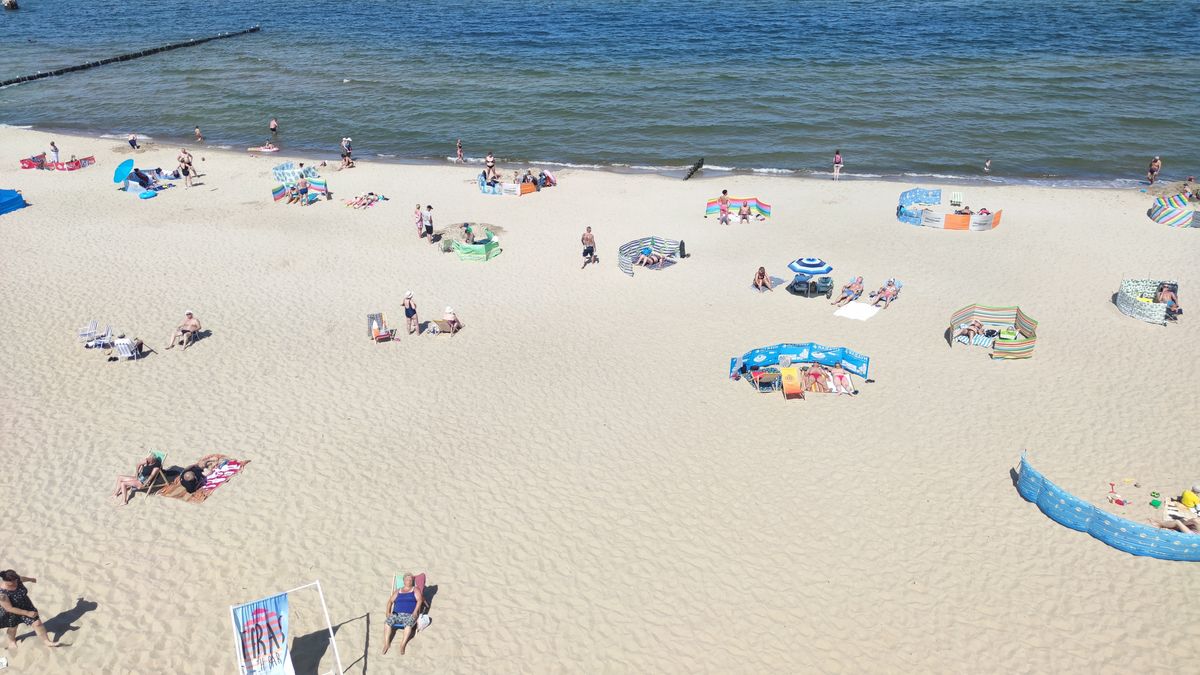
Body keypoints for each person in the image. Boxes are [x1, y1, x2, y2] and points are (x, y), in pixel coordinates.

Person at [0, 570, 60, 649]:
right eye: (12, 582)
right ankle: (12, 641)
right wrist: (27, 613)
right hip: (12, 612)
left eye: (16, 581)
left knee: (38, 623)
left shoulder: (17, 580)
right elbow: (9, 608)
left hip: (26, 606)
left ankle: (47, 642)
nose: (15, 583)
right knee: (13, 628)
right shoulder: (2, 594)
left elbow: (23, 579)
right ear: (5, 581)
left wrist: (31, 579)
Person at [382, 573, 425, 655]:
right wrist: (388, 612)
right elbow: (390, 601)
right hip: (396, 614)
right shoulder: (398, 591)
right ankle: (387, 643)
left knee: (408, 625)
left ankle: (402, 645)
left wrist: (415, 612)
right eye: (407, 579)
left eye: (411, 580)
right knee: (387, 622)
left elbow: (419, 600)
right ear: (404, 581)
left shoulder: (415, 589)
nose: (409, 581)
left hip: (410, 614)